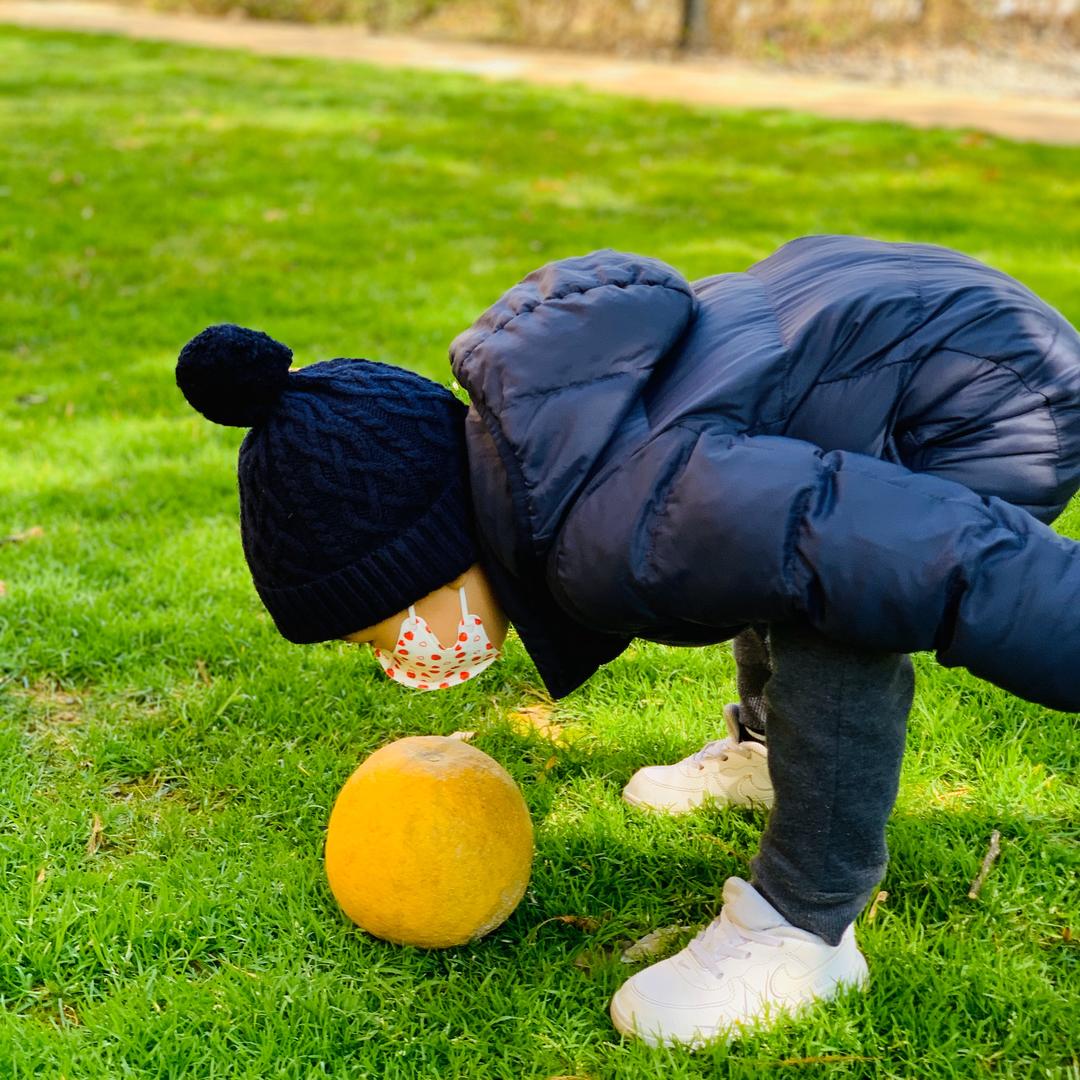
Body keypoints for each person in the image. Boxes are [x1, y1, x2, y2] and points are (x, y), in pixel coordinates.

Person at [176, 235, 1080, 1049]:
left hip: (990, 392)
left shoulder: (621, 524)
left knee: (839, 603)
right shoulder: (550, 446)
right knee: (770, 552)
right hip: (900, 326)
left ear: (433, 557)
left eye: (381, 629)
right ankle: (768, 752)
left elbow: (921, 552)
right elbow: (766, 524)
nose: (394, 658)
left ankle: (803, 929)